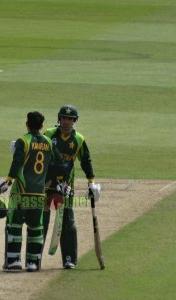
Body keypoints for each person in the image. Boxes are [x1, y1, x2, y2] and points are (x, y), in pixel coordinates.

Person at [0, 111, 61, 272]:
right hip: (39, 193)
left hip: (20, 193)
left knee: (14, 225)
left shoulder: (23, 141)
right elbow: (59, 163)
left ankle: (13, 261)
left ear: (27, 124)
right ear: (42, 126)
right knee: (36, 227)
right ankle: (33, 262)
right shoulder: (48, 142)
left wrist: (7, 182)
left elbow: (17, 164)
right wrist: (51, 180)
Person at [43, 104, 101, 269]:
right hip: (46, 185)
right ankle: (35, 258)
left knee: (67, 222)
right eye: (64, 118)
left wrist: (92, 183)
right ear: (59, 119)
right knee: (42, 221)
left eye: (70, 119)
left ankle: (69, 259)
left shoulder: (79, 139)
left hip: (66, 186)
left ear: (74, 121)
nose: (67, 122)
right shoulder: (49, 134)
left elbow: (86, 161)